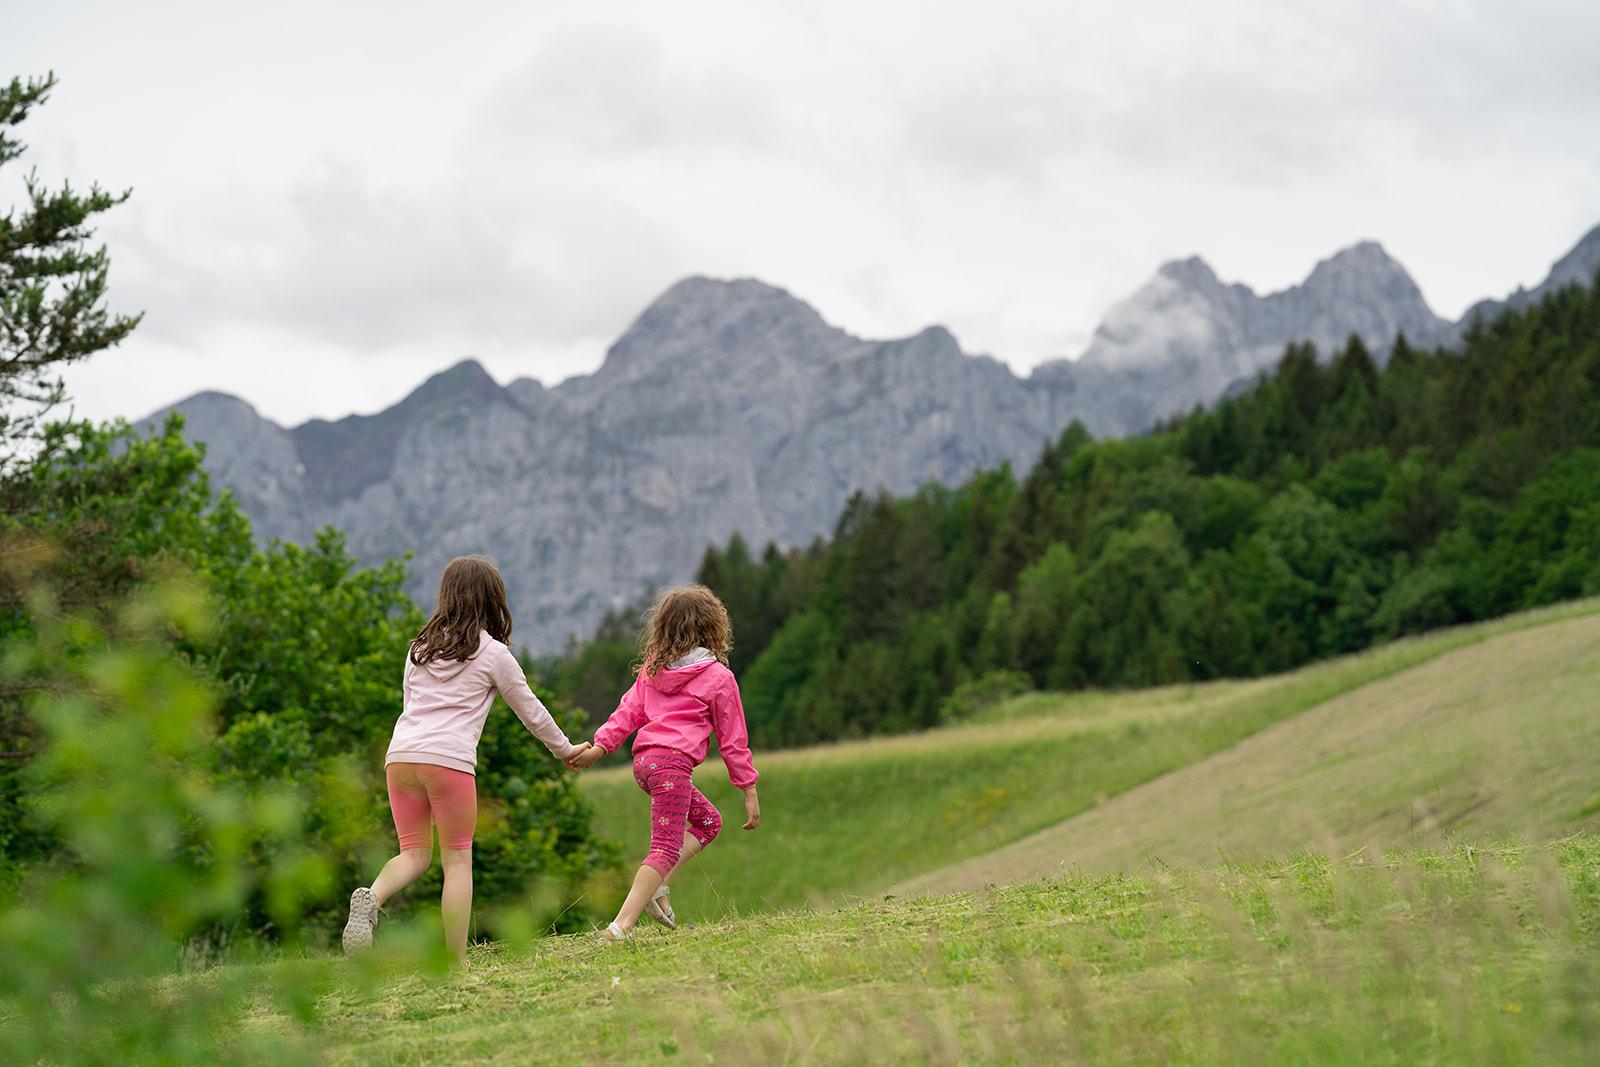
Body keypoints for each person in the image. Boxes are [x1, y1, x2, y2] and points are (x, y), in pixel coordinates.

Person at [341, 555, 588, 964]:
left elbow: (410, 705)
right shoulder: (493, 654)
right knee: (457, 859)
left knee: (413, 854)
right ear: (494, 601)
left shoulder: (418, 649)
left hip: (400, 757)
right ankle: (455, 959)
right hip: (448, 760)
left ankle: (373, 897)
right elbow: (531, 711)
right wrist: (565, 750)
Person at [566, 585, 760, 940]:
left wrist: (599, 747)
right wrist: (748, 788)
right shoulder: (719, 678)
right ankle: (620, 926)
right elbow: (733, 740)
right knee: (665, 847)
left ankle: (660, 885)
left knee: (708, 822)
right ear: (713, 627)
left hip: (646, 764)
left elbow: (626, 713)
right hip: (671, 767)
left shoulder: (654, 670)